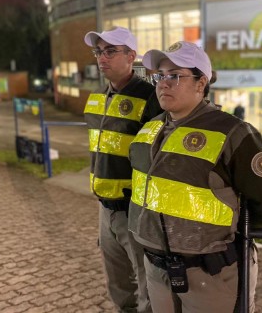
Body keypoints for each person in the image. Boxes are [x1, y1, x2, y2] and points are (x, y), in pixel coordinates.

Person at [127, 41, 262, 313]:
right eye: (159, 76)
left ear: (201, 83)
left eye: (174, 76)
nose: (163, 84)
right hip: (156, 269)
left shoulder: (233, 132)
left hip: (209, 274)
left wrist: (230, 234)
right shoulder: (149, 129)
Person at [83, 26, 162, 312]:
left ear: (131, 56)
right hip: (105, 209)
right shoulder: (97, 98)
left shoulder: (152, 99)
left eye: (110, 51)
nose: (102, 58)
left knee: (148, 284)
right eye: (98, 51)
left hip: (135, 210)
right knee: (117, 284)